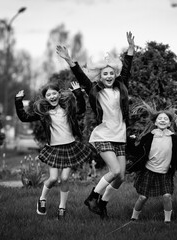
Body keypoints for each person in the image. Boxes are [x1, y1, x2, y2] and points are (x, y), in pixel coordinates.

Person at [56, 31, 135, 219]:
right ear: (99, 76)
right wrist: (69, 60)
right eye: (104, 74)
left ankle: (102, 204)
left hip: (119, 137)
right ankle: (93, 198)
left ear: (115, 75)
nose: (108, 76)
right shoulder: (94, 90)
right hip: (103, 136)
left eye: (111, 73)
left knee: (120, 177)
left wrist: (131, 49)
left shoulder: (120, 87)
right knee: (114, 171)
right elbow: (82, 77)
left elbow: (127, 70)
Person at [14, 81, 92, 220]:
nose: (52, 96)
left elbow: (81, 110)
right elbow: (24, 117)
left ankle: (62, 208)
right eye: (48, 95)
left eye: (54, 93)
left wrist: (78, 93)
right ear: (45, 98)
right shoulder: (44, 113)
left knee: (64, 178)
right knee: (54, 178)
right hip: (54, 149)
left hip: (70, 147)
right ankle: (42, 199)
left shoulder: (67, 109)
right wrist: (18, 101)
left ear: (59, 94)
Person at [126, 101, 177, 223]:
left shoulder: (174, 138)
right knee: (143, 197)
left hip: (165, 172)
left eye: (165, 119)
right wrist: (130, 141)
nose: (162, 120)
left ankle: (167, 221)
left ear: (169, 123)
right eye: (159, 118)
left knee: (167, 196)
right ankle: (134, 218)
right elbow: (136, 152)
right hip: (148, 171)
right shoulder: (149, 137)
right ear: (155, 122)